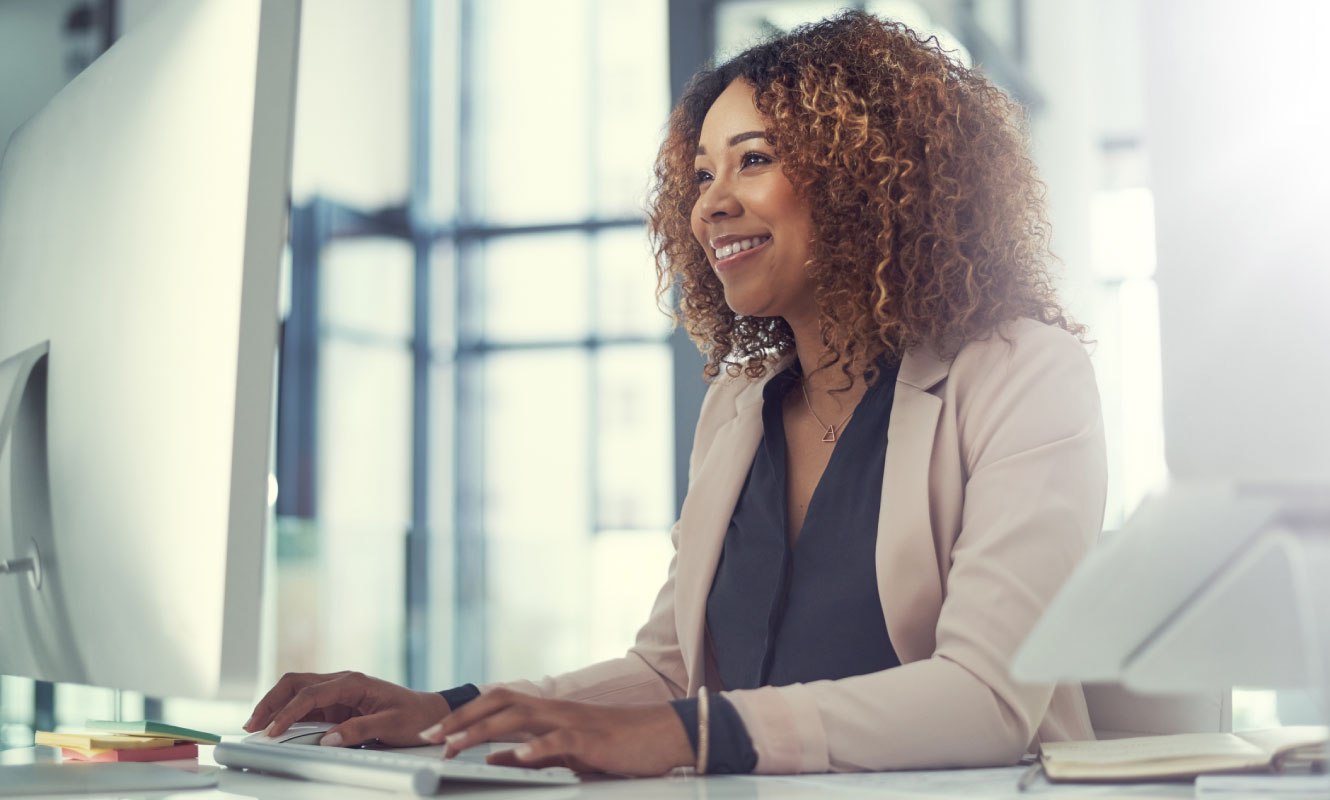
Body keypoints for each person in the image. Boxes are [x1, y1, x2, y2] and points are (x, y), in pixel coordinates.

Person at [244, 11, 1106, 776]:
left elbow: (987, 699)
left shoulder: (1022, 375)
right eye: (700, 176)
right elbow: (669, 672)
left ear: (867, 181)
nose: (709, 207)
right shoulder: (741, 404)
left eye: (753, 161)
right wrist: (452, 713)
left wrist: (692, 735)